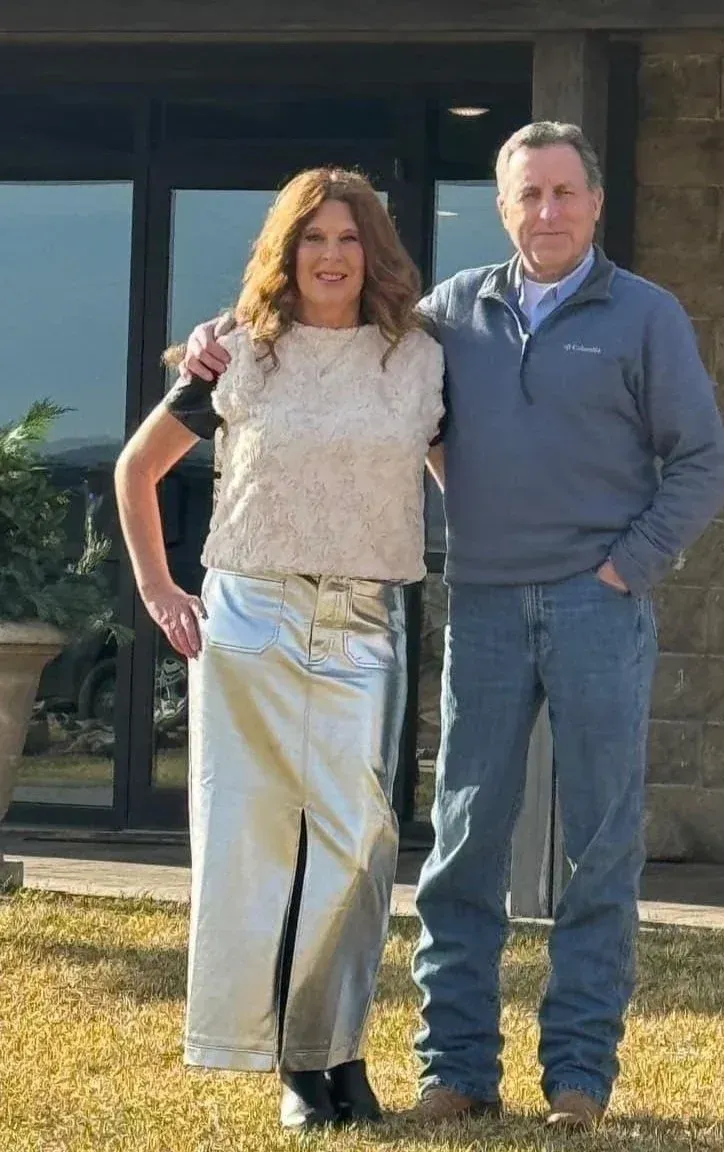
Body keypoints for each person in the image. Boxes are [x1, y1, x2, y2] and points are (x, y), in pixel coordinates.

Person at [179, 121, 724, 1130]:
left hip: (597, 609)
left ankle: (577, 1078)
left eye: (565, 193)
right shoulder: (448, 316)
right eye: (528, 195)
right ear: (503, 204)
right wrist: (217, 335)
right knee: (465, 842)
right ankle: (458, 1070)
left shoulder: (647, 317)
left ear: (595, 204)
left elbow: (702, 462)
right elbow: (334, 334)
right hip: (480, 603)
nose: (548, 213)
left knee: (599, 845)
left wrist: (624, 568)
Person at [115, 167, 444, 1131]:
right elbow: (138, 469)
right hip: (250, 616)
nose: (332, 257)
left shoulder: (418, 359)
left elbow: (468, 484)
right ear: (286, 251)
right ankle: (293, 1073)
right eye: (313, 240)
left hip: (363, 620)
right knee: (255, 846)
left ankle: (332, 1046)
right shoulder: (237, 354)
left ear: (373, 252)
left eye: (349, 239)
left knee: (356, 847)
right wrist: (158, 589)